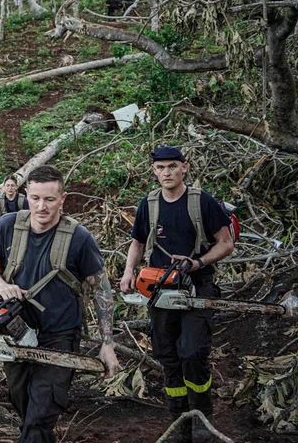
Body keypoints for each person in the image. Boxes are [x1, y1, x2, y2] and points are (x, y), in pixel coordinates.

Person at [0, 165, 119, 443]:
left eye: (50, 199)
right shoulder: (7, 226)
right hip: (15, 331)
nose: (41, 207)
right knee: (24, 404)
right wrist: (0, 284)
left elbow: (102, 289)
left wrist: (107, 342)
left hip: (60, 337)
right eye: (35, 198)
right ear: (26, 194)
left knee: (40, 416)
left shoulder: (80, 238)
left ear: (63, 199)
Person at [119, 146, 234, 443]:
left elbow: (226, 243)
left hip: (198, 285)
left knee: (193, 351)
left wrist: (198, 262)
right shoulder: (149, 204)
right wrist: (129, 272)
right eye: (161, 168)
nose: (167, 173)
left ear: (184, 168)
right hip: (160, 287)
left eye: (172, 167)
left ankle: (201, 414)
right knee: (167, 354)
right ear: (154, 171)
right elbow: (137, 242)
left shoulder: (202, 202)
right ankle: (179, 418)